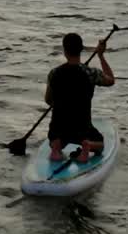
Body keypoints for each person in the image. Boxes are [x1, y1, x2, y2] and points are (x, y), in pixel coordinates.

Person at [45, 32, 115, 164]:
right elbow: (111, 80)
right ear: (81, 50)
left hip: (58, 128)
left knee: (55, 136)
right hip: (82, 128)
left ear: (64, 50)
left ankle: (56, 146)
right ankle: (88, 145)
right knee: (100, 144)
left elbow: (48, 100)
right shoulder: (90, 73)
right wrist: (101, 56)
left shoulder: (53, 73)